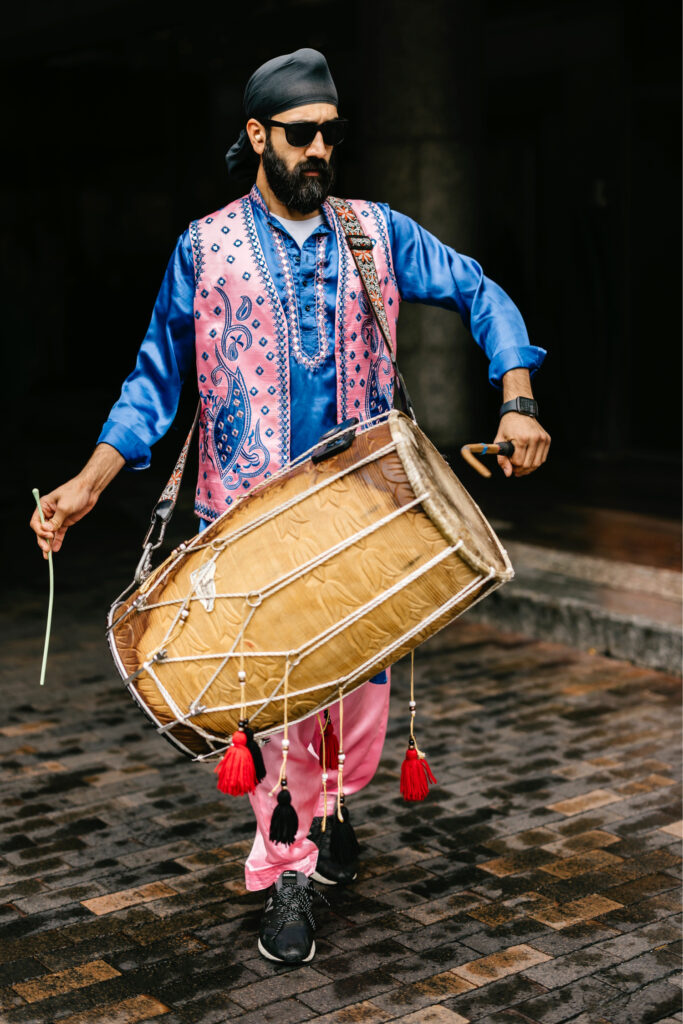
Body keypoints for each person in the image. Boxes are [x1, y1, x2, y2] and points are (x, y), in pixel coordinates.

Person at [30, 48, 550, 964]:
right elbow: (155, 383)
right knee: (274, 712)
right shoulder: (206, 246)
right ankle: (286, 870)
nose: (319, 149)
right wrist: (87, 484)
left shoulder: (374, 231)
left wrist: (516, 396)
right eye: (301, 134)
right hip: (248, 526)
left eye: (330, 135)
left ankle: (329, 823)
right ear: (257, 135)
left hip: (367, 518)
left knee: (360, 712)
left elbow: (478, 290)